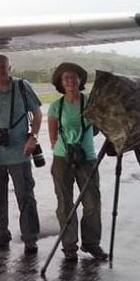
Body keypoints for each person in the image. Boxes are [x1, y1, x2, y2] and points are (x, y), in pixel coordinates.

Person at [0, 54, 42, 255]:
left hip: (20, 153)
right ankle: (2, 232)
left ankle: (30, 238)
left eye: (3, 67)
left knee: (25, 195)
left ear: (9, 68)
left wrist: (34, 137)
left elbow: (37, 113)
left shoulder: (22, 87)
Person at [48, 62, 107, 262]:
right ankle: (69, 245)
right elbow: (52, 133)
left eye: (74, 77)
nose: (70, 81)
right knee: (65, 204)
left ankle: (91, 243)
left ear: (80, 80)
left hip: (88, 158)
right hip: (62, 158)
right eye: (66, 78)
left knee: (92, 202)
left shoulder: (91, 102)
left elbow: (100, 126)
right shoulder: (56, 106)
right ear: (61, 83)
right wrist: (62, 148)